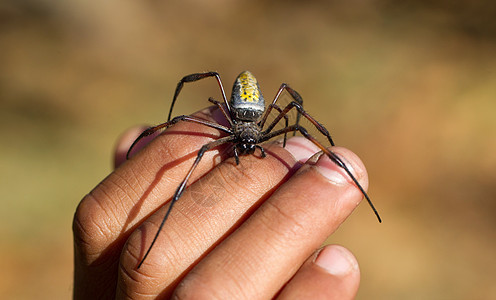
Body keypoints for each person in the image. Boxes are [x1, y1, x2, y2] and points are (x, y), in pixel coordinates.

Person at [73, 106, 367, 299]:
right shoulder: (230, 131)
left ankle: (332, 153)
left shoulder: (262, 129)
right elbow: (194, 141)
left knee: (300, 125)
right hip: (241, 119)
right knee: (199, 146)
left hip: (249, 119)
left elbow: (296, 114)